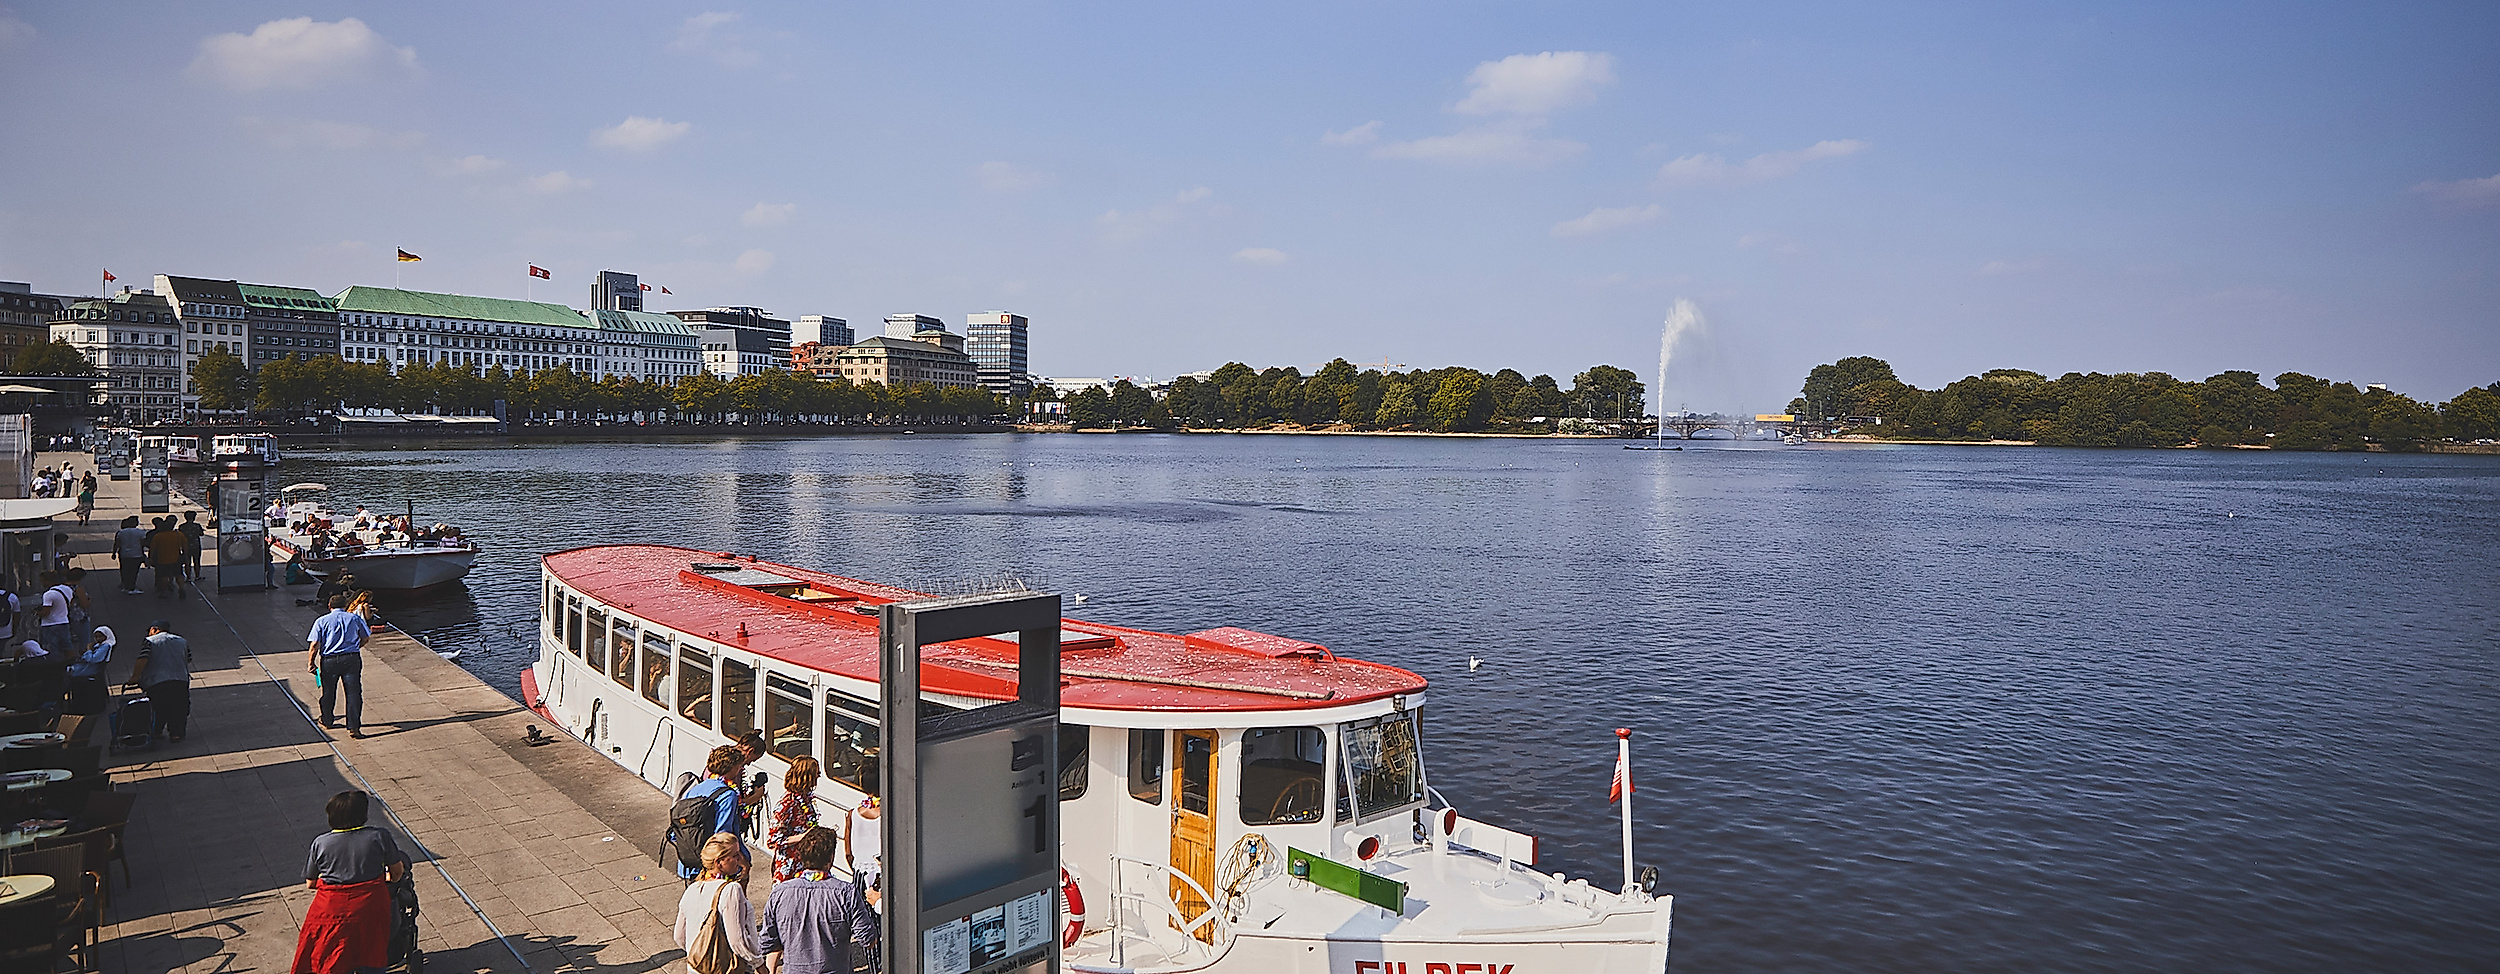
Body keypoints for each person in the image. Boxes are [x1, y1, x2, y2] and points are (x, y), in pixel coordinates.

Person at [293, 790, 411, 974]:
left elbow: (311, 883)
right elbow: (397, 873)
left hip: (331, 910)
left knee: (334, 956)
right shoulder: (379, 836)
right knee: (372, 951)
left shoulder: (320, 843)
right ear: (362, 815)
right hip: (370, 906)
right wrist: (384, 878)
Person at [758, 827, 878, 974]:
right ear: (831, 857)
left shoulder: (780, 893)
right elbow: (868, 939)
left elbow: (766, 942)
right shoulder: (846, 892)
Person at [671, 833, 763, 974]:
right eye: (734, 855)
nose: (740, 859)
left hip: (696, 969)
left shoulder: (692, 889)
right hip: (724, 968)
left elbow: (679, 936)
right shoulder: (731, 889)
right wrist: (759, 964)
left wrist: (701, 954)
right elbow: (737, 940)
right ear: (718, 862)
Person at [674, 746, 749, 883]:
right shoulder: (728, 795)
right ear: (731, 768)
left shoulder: (697, 788)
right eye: (738, 767)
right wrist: (743, 860)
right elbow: (723, 834)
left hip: (690, 862)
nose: (739, 771)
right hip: (715, 867)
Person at [307, 595, 372, 738]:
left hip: (329, 660)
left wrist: (311, 663)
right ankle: (354, 727)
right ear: (345, 605)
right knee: (353, 692)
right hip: (351, 658)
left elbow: (314, 644)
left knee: (328, 691)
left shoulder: (321, 621)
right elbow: (366, 638)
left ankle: (327, 719)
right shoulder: (355, 619)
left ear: (329, 606)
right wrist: (356, 647)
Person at [126, 620, 192, 743]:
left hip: (157, 682)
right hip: (180, 680)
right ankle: (176, 734)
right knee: (179, 708)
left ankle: (156, 732)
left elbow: (143, 658)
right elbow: (188, 659)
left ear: (154, 629)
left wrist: (135, 677)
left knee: (158, 708)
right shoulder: (182, 641)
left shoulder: (149, 641)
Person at [770, 757, 824, 882]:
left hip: (806, 862)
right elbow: (774, 840)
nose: (819, 776)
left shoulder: (805, 798)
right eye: (816, 773)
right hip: (789, 865)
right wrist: (804, 836)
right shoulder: (787, 803)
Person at [65, 625, 113, 715]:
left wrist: (89, 650)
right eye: (96, 637)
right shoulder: (99, 646)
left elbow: (93, 659)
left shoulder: (105, 647)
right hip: (87, 667)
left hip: (89, 670)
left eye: (100, 636)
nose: (98, 639)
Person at [842, 793, 883, 898]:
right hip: (880, 874)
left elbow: (848, 852)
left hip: (860, 872)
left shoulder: (853, 814)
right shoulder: (886, 814)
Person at [147, 516, 189, 599]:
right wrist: (185, 555)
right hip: (176, 558)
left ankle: (163, 592)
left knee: (164, 576)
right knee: (178, 574)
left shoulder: (158, 536)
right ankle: (181, 587)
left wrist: (150, 558)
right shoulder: (178, 534)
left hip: (162, 559)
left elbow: (153, 548)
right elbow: (185, 545)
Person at [36, 571, 74, 658]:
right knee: (67, 646)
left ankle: (54, 665)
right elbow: (71, 603)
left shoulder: (48, 594)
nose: (42, 583)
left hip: (50, 624)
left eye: (42, 581)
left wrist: (37, 613)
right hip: (64, 622)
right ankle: (71, 663)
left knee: (50, 648)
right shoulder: (67, 589)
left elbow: (46, 612)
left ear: (47, 581)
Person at [113, 516, 147, 595]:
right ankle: (131, 587)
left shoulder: (121, 532)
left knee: (125, 570)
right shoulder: (140, 532)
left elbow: (117, 543)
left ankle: (125, 585)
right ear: (136, 523)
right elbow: (143, 544)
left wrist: (114, 553)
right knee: (134, 571)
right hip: (136, 554)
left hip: (124, 554)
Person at [180, 510, 206, 580]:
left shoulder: (182, 526)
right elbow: (201, 534)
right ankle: (197, 576)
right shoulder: (197, 526)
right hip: (196, 545)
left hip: (186, 546)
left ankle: (188, 577)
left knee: (187, 562)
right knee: (197, 561)